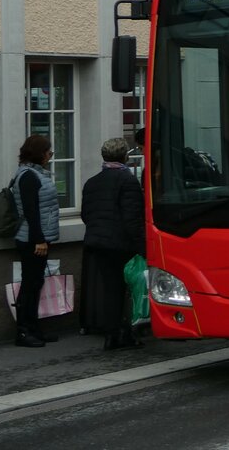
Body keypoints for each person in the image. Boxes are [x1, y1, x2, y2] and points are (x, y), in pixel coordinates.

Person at [80, 137, 146, 350]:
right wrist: (142, 247)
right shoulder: (128, 181)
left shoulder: (92, 182)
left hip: (97, 243)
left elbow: (86, 215)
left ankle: (112, 332)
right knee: (129, 288)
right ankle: (124, 331)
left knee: (111, 288)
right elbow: (132, 218)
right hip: (121, 243)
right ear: (125, 156)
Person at [10, 134, 61, 348]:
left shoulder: (34, 174)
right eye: (48, 151)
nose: (50, 155)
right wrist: (39, 240)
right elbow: (31, 212)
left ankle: (33, 327)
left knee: (36, 283)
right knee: (30, 284)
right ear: (39, 153)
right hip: (32, 239)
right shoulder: (29, 176)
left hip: (37, 237)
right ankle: (23, 331)